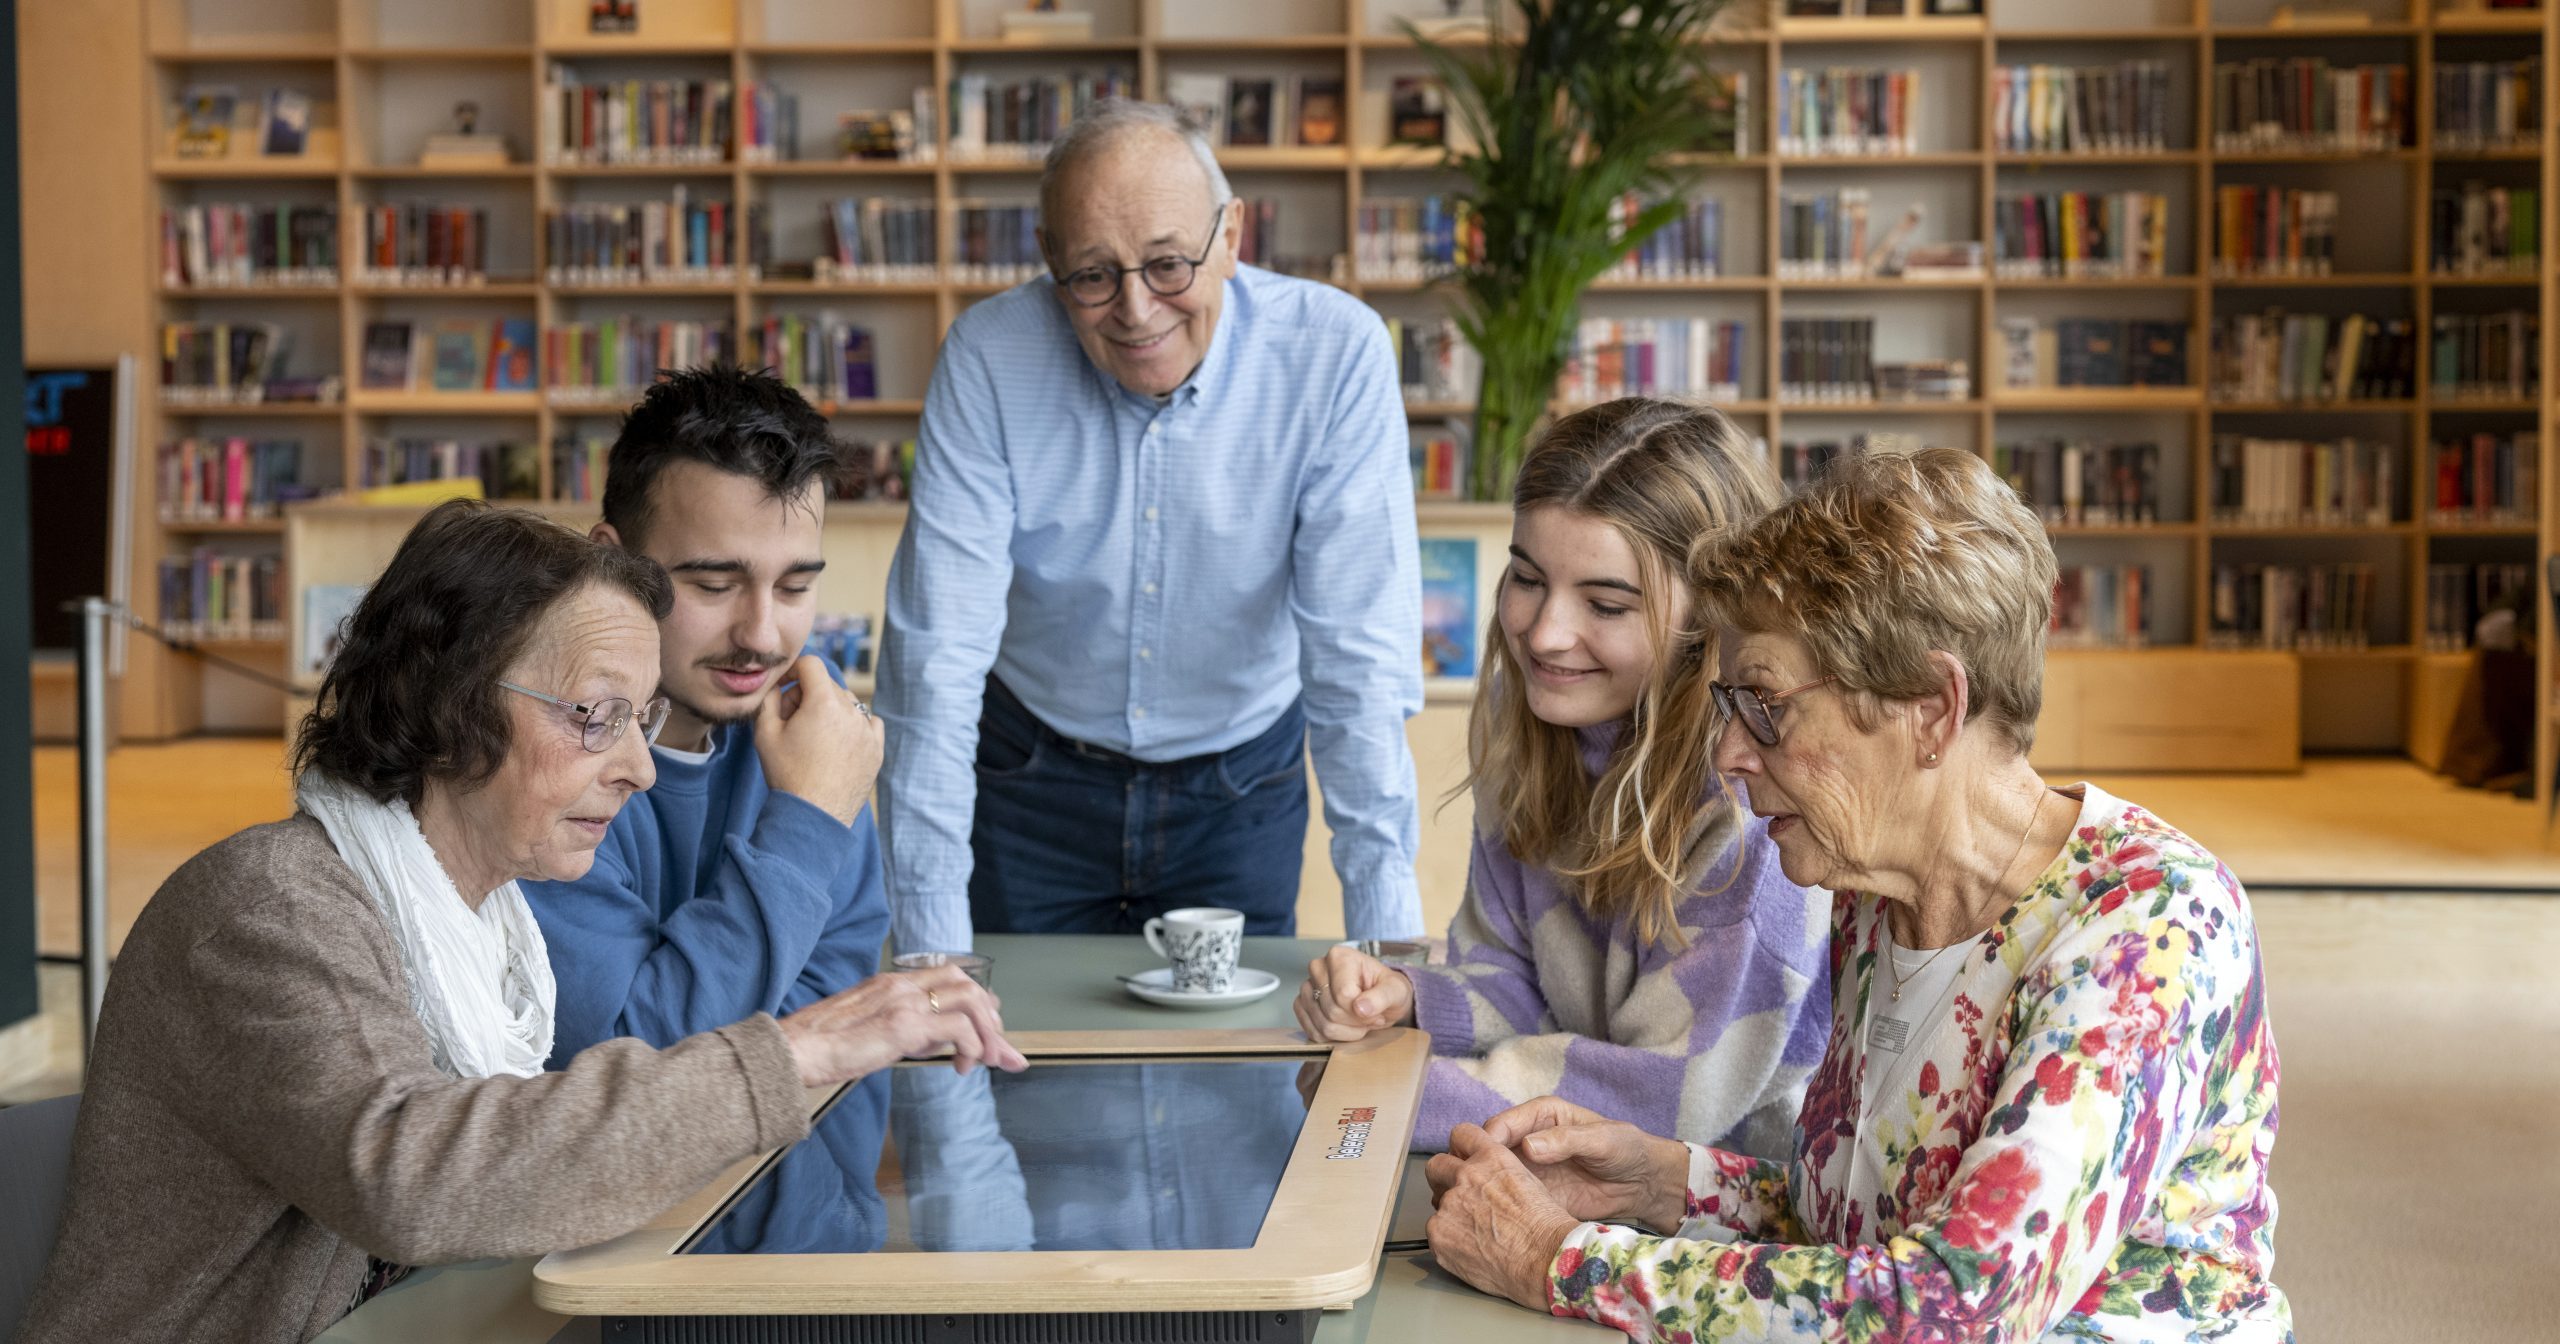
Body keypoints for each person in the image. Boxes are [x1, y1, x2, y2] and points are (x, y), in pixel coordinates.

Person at [18, 502, 1024, 1344]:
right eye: (593, 717)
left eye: (638, 721)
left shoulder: (495, 930)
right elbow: (411, 1176)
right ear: (449, 701)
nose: (634, 767)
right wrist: (804, 1050)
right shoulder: (266, 908)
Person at [1421, 449, 2290, 1341]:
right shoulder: (1876, 899)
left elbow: (1948, 1310)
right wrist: (1661, 1181)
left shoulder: (2150, 929)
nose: (1728, 754)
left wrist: (1559, 1258)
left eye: (1765, 705)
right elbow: (1852, 1229)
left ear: (1932, 708)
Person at [876, 97, 1425, 951]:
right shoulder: (989, 357)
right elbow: (934, 665)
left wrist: (1393, 959)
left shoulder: (1335, 353)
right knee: (1008, 1043)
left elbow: (1358, 666)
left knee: (1233, 1063)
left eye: (1169, 265)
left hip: (1239, 784)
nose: (1136, 311)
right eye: (1093, 276)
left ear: (1232, 237)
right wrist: (929, 957)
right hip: (1030, 778)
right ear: (1049, 258)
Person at [1292, 399, 1830, 1159]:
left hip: (1725, 1224)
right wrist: (1409, 1000)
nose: (1545, 633)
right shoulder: (1539, 748)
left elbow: (1663, 1094)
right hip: (1567, 1188)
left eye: (1605, 603)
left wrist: (1394, 1097)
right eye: (1526, 578)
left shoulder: (1755, 818)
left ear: (1713, 620)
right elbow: (1517, 982)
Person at [522, 365, 903, 1252]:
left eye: (797, 586)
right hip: (583, 1268)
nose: (763, 635)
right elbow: (631, 1073)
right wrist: (804, 825)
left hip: (798, 1262)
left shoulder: (816, 728)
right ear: (611, 560)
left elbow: (840, 1047)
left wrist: (831, 1262)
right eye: (713, 583)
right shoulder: (541, 752)